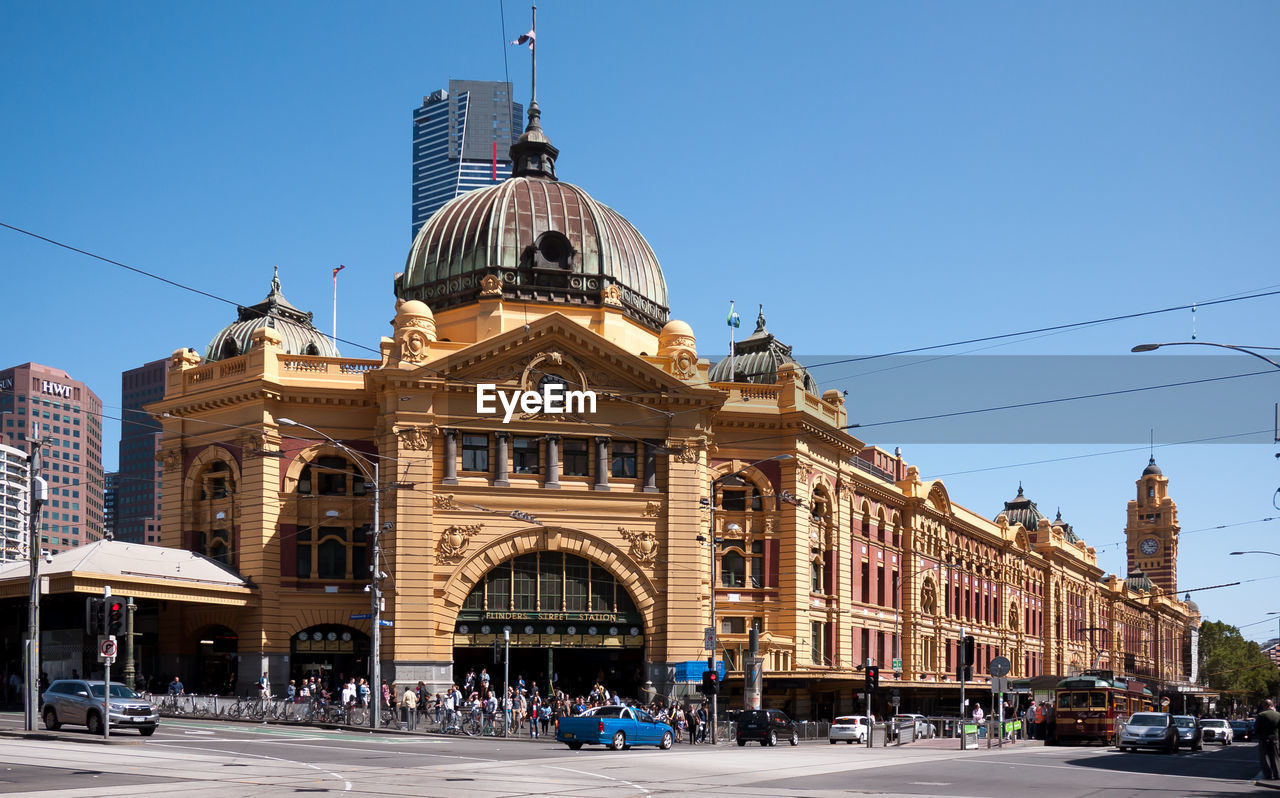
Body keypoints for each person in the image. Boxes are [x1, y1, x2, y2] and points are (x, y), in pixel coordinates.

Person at [1256, 699, 1280, 780]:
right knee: (1275, 757)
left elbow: (1257, 728)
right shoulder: (1278, 714)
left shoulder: (1261, 715)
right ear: (1272, 705)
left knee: (1265, 758)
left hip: (1264, 739)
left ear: (1264, 706)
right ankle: (1277, 774)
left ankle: (1268, 775)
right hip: (1275, 739)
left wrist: (1259, 736)